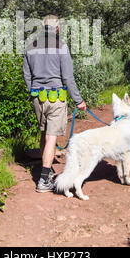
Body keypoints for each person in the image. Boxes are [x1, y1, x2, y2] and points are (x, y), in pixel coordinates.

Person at [23, 15, 87, 193]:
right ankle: (43, 180)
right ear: (57, 29)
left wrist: (33, 91)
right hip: (56, 98)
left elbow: (27, 75)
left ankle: (46, 171)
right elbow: (68, 77)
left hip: (38, 98)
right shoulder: (61, 47)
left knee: (43, 134)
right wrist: (79, 100)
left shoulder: (30, 47)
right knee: (51, 137)